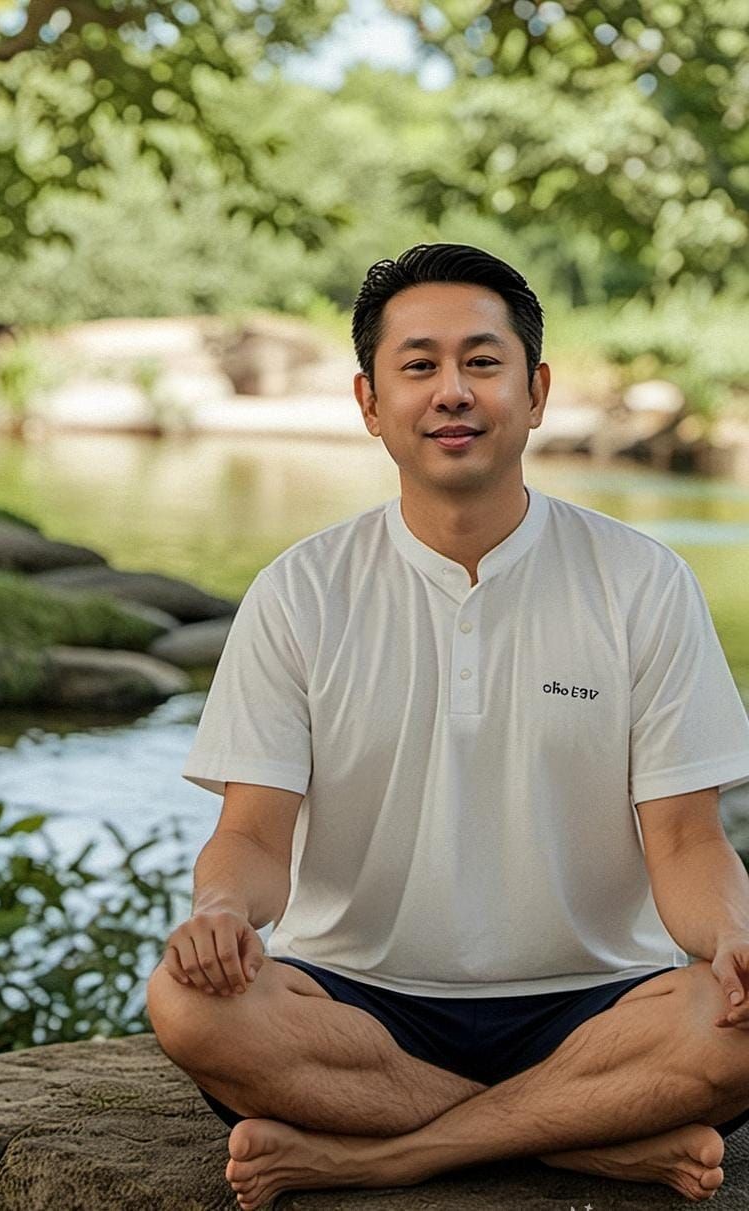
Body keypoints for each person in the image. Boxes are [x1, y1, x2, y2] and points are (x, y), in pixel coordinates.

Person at [145, 243, 749, 1209]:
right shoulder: (301, 591)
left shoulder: (642, 583)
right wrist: (220, 914)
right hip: (353, 1002)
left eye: (482, 361)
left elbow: (686, 839)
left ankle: (386, 1154)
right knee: (188, 1004)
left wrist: (734, 935)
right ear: (370, 402)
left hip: (596, 1001)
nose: (452, 392)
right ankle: (583, 1136)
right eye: (418, 366)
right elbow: (254, 833)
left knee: (739, 1020)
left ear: (536, 389)